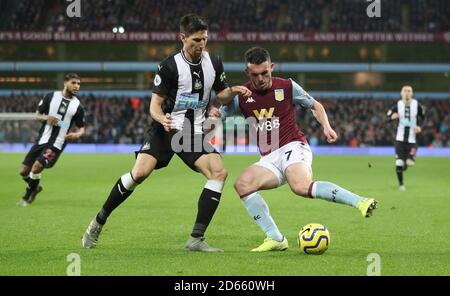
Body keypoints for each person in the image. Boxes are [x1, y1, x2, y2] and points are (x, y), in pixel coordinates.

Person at [81, 14, 251, 251]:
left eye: (204, 39)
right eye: (195, 40)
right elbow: (154, 107)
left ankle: (196, 239)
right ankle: (98, 222)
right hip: (166, 127)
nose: (201, 45)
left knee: (218, 172)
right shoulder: (169, 66)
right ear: (182, 38)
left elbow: (221, 95)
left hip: (191, 132)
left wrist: (234, 91)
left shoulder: (214, 62)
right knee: (139, 174)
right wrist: (163, 119)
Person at [217, 47, 377, 252]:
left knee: (301, 186)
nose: (260, 78)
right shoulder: (242, 96)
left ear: (272, 67)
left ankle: (360, 202)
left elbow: (315, 105)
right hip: (268, 158)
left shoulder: (287, 86)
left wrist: (327, 127)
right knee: (243, 185)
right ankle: (275, 238)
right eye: (255, 74)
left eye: (265, 73)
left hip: (293, 145)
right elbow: (216, 117)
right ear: (247, 72)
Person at [17, 73, 85, 206]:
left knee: (36, 167)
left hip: (57, 143)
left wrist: (76, 135)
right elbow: (37, 115)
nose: (77, 86)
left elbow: (82, 128)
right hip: (42, 139)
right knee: (24, 171)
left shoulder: (78, 106)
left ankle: (26, 197)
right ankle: (36, 187)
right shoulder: (50, 96)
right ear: (65, 83)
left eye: (78, 84)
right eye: (74, 83)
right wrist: (48, 118)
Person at [386, 85, 425, 191]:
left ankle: (407, 163)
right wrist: (391, 118)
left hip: (412, 140)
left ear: (412, 93)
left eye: (409, 91)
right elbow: (387, 117)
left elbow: (423, 117)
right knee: (399, 163)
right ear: (401, 93)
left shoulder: (417, 105)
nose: (407, 92)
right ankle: (401, 184)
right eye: (405, 91)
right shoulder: (397, 106)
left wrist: (420, 126)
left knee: (409, 163)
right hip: (399, 140)